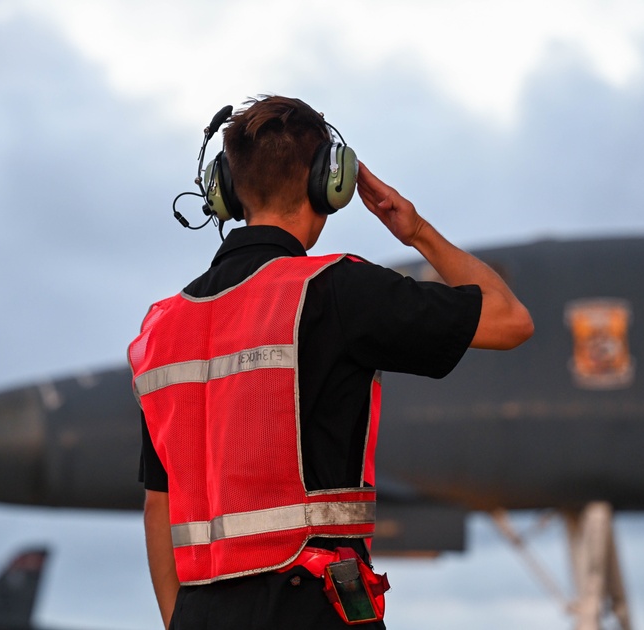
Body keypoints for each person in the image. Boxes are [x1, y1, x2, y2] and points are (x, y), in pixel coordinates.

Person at [128, 95, 533, 630]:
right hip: (313, 607)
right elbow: (510, 321)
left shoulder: (162, 329)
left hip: (200, 615)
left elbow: (160, 509)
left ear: (224, 189)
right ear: (329, 182)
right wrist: (415, 232)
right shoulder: (337, 290)